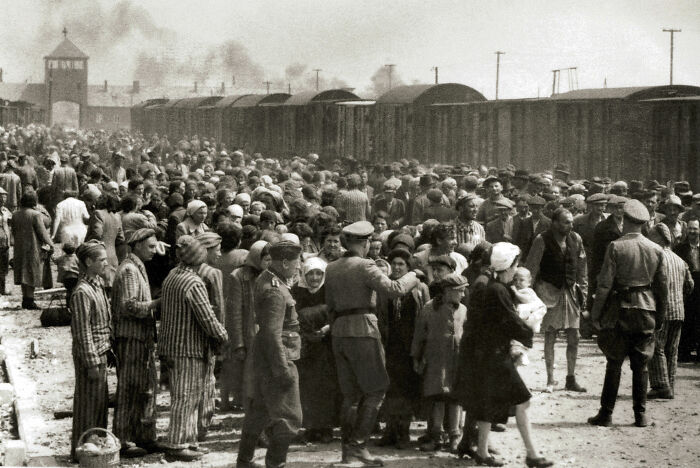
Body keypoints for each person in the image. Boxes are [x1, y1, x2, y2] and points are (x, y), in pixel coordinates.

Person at [325, 220, 419, 466]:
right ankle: (358, 447)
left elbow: (331, 306)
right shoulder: (365, 265)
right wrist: (414, 275)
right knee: (376, 390)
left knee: (351, 395)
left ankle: (349, 452)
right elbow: (395, 288)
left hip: (339, 332)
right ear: (365, 243)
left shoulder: (332, 267)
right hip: (363, 331)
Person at [456, 242, 552, 467]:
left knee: (488, 402)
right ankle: (532, 454)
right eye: (515, 265)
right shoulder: (498, 290)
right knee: (524, 401)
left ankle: (482, 452)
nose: (515, 269)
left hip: (486, 354)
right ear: (508, 265)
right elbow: (511, 321)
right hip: (496, 356)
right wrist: (528, 331)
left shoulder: (492, 286)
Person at [588, 199, 668, 428]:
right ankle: (640, 415)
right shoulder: (656, 249)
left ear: (626, 221)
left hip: (619, 310)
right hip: (646, 310)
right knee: (641, 365)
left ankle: (606, 413)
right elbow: (662, 287)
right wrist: (660, 317)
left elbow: (604, 286)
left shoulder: (616, 246)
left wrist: (595, 314)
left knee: (614, 362)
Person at [160, 235, 228, 461]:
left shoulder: (172, 276)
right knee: (186, 397)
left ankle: (188, 440)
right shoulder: (193, 282)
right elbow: (207, 317)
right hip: (188, 348)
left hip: (171, 345)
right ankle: (177, 443)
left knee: (184, 395)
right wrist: (222, 335)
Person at [237, 240, 303, 468]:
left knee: (260, 412)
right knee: (290, 418)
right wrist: (282, 369)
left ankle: (244, 461)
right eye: (296, 263)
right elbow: (273, 334)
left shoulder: (267, 278)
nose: (299, 267)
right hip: (279, 357)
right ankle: (276, 464)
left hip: (266, 358)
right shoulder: (276, 290)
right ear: (284, 263)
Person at [526, 208, 588, 393]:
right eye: (566, 222)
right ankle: (550, 380)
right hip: (549, 293)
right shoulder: (541, 240)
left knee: (574, 336)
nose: (570, 226)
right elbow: (531, 268)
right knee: (550, 336)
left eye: (571, 222)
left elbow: (583, 267)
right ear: (554, 223)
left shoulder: (576, 239)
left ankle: (570, 378)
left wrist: (583, 291)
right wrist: (531, 297)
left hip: (570, 292)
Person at [111, 229, 161, 457]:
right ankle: (123, 438)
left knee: (144, 389)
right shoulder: (129, 270)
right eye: (151, 246)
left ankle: (143, 435)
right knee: (129, 390)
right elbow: (130, 305)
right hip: (130, 338)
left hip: (141, 338)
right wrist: (157, 304)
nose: (154, 250)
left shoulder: (137, 266)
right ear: (138, 245)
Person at [376, 248, 428, 450]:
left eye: (401, 264)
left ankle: (404, 432)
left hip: (410, 346)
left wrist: (421, 348)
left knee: (408, 389)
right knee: (390, 388)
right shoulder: (386, 288)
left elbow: (424, 318)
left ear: (408, 268)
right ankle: (390, 430)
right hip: (391, 345)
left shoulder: (420, 288)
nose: (397, 268)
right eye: (394, 264)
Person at [411, 273, 467, 452]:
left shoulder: (463, 310)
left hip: (457, 362)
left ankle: (455, 436)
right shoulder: (429, 308)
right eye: (461, 291)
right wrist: (416, 357)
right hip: (436, 362)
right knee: (437, 399)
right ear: (449, 291)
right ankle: (435, 435)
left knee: (455, 399)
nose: (463, 295)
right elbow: (419, 334)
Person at [69, 240, 112, 462]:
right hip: (91, 357)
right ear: (88, 262)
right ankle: (81, 451)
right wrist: (92, 362)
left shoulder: (97, 284)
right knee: (88, 405)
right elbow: (83, 332)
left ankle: (94, 448)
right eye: (101, 260)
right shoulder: (82, 292)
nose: (106, 263)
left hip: (101, 351)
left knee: (99, 405)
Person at [291, 257, 339, 444]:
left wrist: (327, 329)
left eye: (319, 273)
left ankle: (326, 428)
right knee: (308, 387)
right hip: (307, 346)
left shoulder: (331, 291)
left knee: (327, 387)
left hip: (327, 345)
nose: (315, 277)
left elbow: (336, 314)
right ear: (304, 274)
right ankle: (311, 427)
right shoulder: (297, 292)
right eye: (311, 273)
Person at [647, 223, 693, 399]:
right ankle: (670, 385)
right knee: (672, 349)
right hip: (679, 310)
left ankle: (660, 385)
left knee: (657, 346)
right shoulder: (680, 260)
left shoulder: (656, 257)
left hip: (661, 310)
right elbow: (690, 285)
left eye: (651, 236)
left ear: (659, 237)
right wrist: (680, 297)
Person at [224, 240, 271, 412]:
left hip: (266, 332)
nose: (269, 263)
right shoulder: (238, 276)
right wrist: (238, 343)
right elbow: (234, 312)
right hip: (248, 333)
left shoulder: (272, 276)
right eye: (266, 259)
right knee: (248, 374)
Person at [194, 231, 225, 440]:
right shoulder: (212, 273)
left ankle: (197, 423)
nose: (220, 254)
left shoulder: (189, 270)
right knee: (208, 379)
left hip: (194, 331)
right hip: (210, 330)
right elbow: (219, 307)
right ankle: (203, 424)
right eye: (217, 250)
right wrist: (221, 335)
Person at [11, 191, 54, 309]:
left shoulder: (15, 214)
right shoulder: (36, 214)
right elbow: (42, 233)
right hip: (32, 246)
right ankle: (30, 301)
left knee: (23, 272)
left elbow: (13, 231)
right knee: (31, 272)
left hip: (19, 247)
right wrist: (51, 244)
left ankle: (25, 299)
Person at [674, 218, 700, 362]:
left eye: (695, 228)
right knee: (687, 319)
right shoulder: (680, 248)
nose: (692, 231)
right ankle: (684, 352)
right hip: (686, 289)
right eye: (690, 228)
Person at [87, 194, 125, 289]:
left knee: (96, 287)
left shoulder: (98, 213)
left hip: (99, 256)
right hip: (113, 257)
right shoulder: (117, 216)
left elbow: (97, 234)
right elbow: (121, 238)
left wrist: (86, 244)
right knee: (110, 288)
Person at [0, 187, 11, 295]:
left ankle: (2, 289)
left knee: (4, 265)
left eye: (4, 196)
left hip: (4, 240)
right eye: (1, 196)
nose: (3, 199)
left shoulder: (5, 210)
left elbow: (11, 221)